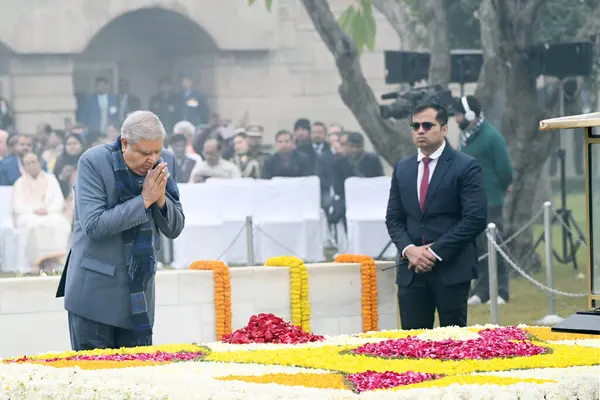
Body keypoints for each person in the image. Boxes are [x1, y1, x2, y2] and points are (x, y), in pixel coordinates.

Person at [56, 110, 185, 351]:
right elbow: (94, 226)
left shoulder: (164, 162)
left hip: (140, 298)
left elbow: (175, 227)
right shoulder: (94, 162)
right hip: (94, 294)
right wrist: (144, 200)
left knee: (136, 383)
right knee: (94, 381)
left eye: (157, 151)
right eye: (145, 153)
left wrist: (159, 201)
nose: (153, 159)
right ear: (125, 143)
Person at [385, 103, 487, 330]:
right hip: (411, 271)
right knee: (413, 345)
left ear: (443, 129)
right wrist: (409, 250)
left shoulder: (466, 166)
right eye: (415, 126)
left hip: (451, 269)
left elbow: (475, 218)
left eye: (427, 125)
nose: (420, 130)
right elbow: (393, 218)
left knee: (453, 345)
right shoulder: (403, 168)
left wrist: (433, 252)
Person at [454, 95, 513, 306]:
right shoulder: (466, 137)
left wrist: (502, 186)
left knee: (495, 245)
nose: (455, 119)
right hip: (471, 201)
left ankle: (502, 291)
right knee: (477, 247)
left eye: (458, 115)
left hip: (491, 199)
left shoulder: (491, 136)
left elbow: (505, 169)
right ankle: (481, 291)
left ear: (470, 115)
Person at [12, 152, 71, 275]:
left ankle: (52, 260)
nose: (31, 165)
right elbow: (17, 205)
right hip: (28, 215)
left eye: (33, 162)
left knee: (59, 223)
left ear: (39, 162)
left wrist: (47, 210)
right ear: (23, 166)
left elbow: (59, 200)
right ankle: (36, 263)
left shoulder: (51, 179)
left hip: (49, 212)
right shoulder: (19, 183)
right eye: (28, 163)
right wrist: (34, 210)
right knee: (34, 225)